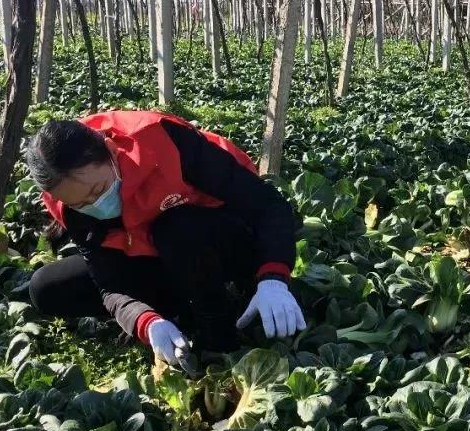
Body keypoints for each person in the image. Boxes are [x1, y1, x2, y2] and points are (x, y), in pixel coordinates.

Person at [24, 110, 306, 370]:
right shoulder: (68, 205)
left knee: (176, 228)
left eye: (99, 189)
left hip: (218, 242)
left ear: (110, 150)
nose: (95, 203)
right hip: (156, 257)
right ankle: (176, 312)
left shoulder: (165, 142)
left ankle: (218, 336)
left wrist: (273, 277)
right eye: (81, 203)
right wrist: (146, 322)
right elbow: (109, 284)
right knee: (47, 288)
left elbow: (269, 206)